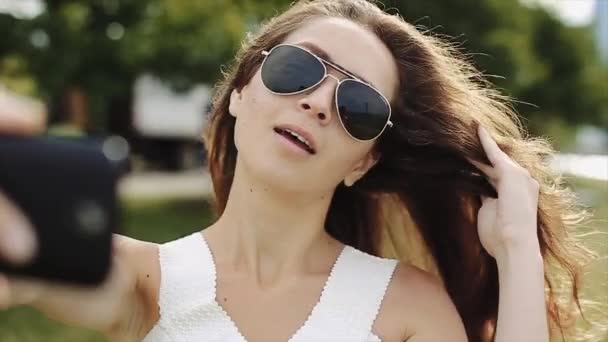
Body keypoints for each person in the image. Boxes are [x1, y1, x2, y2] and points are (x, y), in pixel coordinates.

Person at [0, 0, 596, 341]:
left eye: (358, 104)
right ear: (238, 94)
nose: (316, 102)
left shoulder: (407, 305)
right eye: (297, 69)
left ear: (366, 159)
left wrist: (518, 247)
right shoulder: (138, 276)